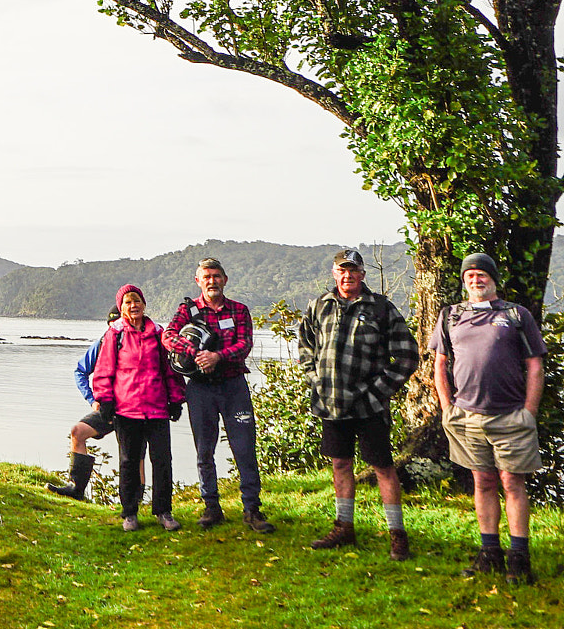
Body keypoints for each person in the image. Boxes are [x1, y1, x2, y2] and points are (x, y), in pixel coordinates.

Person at [431, 253, 546, 585]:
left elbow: (535, 365)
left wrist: (529, 411)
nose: (475, 281)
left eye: (481, 275)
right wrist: (447, 407)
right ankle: (489, 553)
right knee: (482, 482)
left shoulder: (515, 315)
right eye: (470, 276)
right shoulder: (451, 316)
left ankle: (519, 557)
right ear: (464, 281)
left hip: (511, 416)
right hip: (466, 416)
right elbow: (440, 363)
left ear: (494, 279)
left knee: (512, 483)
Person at [299, 249, 419, 560]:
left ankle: (397, 535)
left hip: (369, 407)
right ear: (334, 273)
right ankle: (344, 528)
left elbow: (407, 356)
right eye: (342, 270)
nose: (347, 275)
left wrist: (378, 390)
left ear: (362, 275)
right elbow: (305, 347)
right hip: (331, 404)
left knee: (382, 467)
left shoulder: (381, 308)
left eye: (353, 270)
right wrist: (315, 379)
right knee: (340, 464)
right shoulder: (318, 306)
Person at [161, 258, 275, 533]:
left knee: (245, 448)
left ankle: (252, 509)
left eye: (216, 276)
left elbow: (244, 343)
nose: (212, 281)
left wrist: (217, 356)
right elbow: (168, 336)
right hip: (200, 388)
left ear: (225, 279)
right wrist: (195, 354)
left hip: (233, 386)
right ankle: (211, 506)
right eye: (206, 277)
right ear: (198, 281)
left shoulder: (239, 310)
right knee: (204, 450)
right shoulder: (187, 311)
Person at [92, 285, 187, 531]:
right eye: (127, 303)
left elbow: (170, 371)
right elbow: (103, 371)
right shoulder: (115, 334)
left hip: (156, 409)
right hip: (126, 410)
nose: (133, 306)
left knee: (162, 461)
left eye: (136, 301)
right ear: (121, 308)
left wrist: (176, 399)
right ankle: (130, 513)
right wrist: (105, 400)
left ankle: (164, 512)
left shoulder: (158, 333)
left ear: (144, 304)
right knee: (129, 462)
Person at [46, 307, 125, 501]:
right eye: (111, 324)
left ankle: (135, 500)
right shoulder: (102, 343)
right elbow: (80, 371)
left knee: (132, 454)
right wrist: (92, 400)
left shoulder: (139, 341)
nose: (115, 327)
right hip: (107, 408)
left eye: (118, 322)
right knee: (78, 432)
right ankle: (76, 489)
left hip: (134, 409)